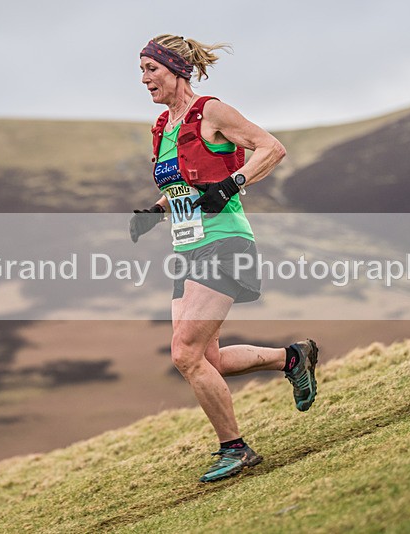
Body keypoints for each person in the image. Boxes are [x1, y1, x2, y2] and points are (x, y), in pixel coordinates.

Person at [130, 34, 319, 483]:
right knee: (205, 359)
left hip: (226, 242)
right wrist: (155, 212)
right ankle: (291, 359)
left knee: (185, 353)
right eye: (141, 71)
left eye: (151, 69)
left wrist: (233, 184)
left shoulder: (211, 111)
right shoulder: (162, 125)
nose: (144, 79)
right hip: (187, 248)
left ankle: (235, 449)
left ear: (175, 68)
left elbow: (271, 147)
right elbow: (183, 184)